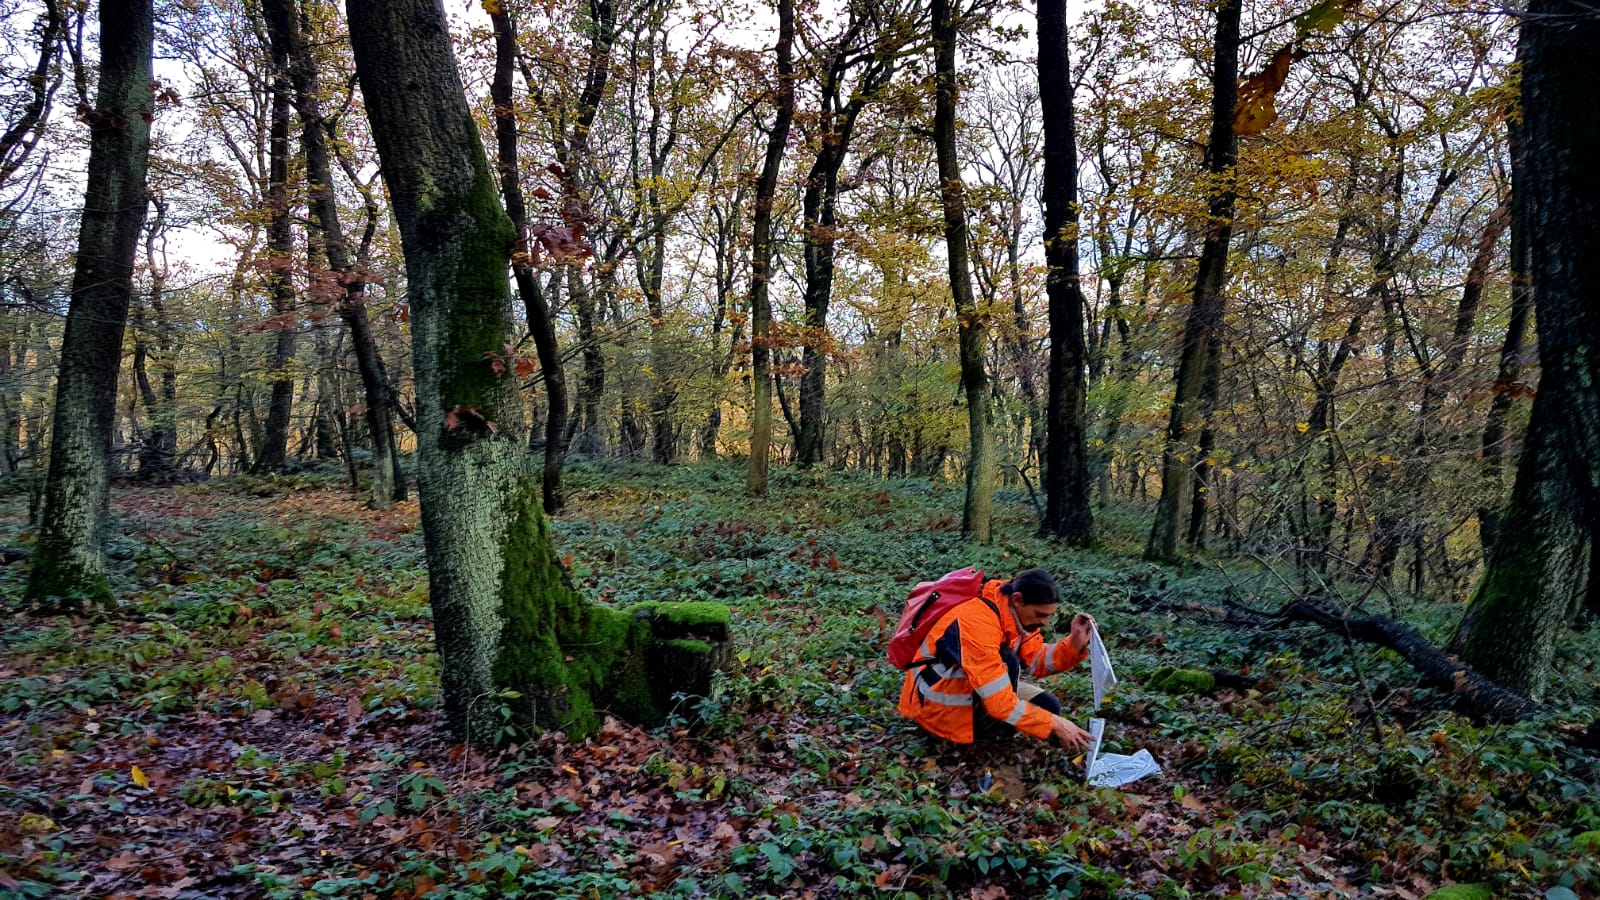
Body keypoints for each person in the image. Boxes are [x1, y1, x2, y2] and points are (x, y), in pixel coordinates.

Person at [896, 568, 1095, 749]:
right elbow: (1000, 704)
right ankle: (960, 737)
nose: (1045, 622)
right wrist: (1055, 723)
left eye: (1049, 615)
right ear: (1018, 599)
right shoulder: (976, 621)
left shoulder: (1012, 611)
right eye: (1040, 615)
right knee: (1010, 671)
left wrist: (1075, 643)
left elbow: (1037, 661)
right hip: (937, 702)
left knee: (1048, 706)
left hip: (966, 683)